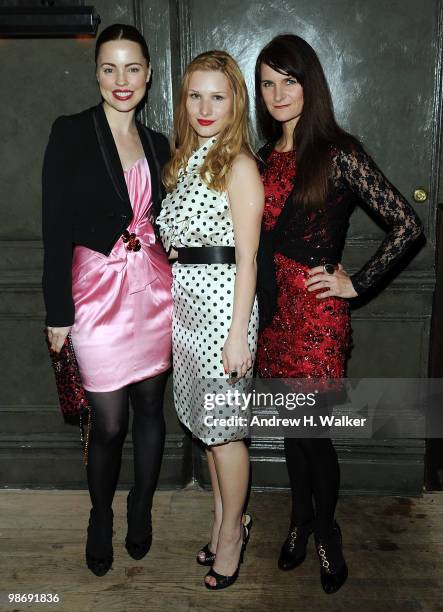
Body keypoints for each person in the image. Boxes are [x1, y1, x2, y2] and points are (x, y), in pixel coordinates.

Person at [254, 34, 424, 594]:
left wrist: (357, 282)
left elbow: (408, 226)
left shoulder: (339, 152)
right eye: (267, 83)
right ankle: (300, 521)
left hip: (317, 318)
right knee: (290, 433)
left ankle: (327, 531)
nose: (277, 93)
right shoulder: (260, 157)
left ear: (310, 85)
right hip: (272, 315)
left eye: (289, 80)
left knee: (314, 435)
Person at [42, 24, 173, 577]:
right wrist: (57, 314)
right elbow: (54, 229)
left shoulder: (161, 143)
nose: (122, 80)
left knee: (150, 408)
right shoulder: (71, 132)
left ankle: (139, 506)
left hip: (155, 290)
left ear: (148, 74)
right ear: (96, 73)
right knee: (110, 421)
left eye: (133, 68)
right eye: (109, 68)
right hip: (95, 294)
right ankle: (100, 514)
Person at [157, 50, 263, 589]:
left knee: (225, 436)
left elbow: (247, 258)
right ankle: (226, 521)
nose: (204, 106)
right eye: (195, 95)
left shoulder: (240, 164)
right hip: (190, 309)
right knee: (208, 429)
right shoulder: (189, 157)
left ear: (234, 102)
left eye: (217, 96)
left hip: (225, 311)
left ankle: (231, 541)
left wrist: (238, 335)